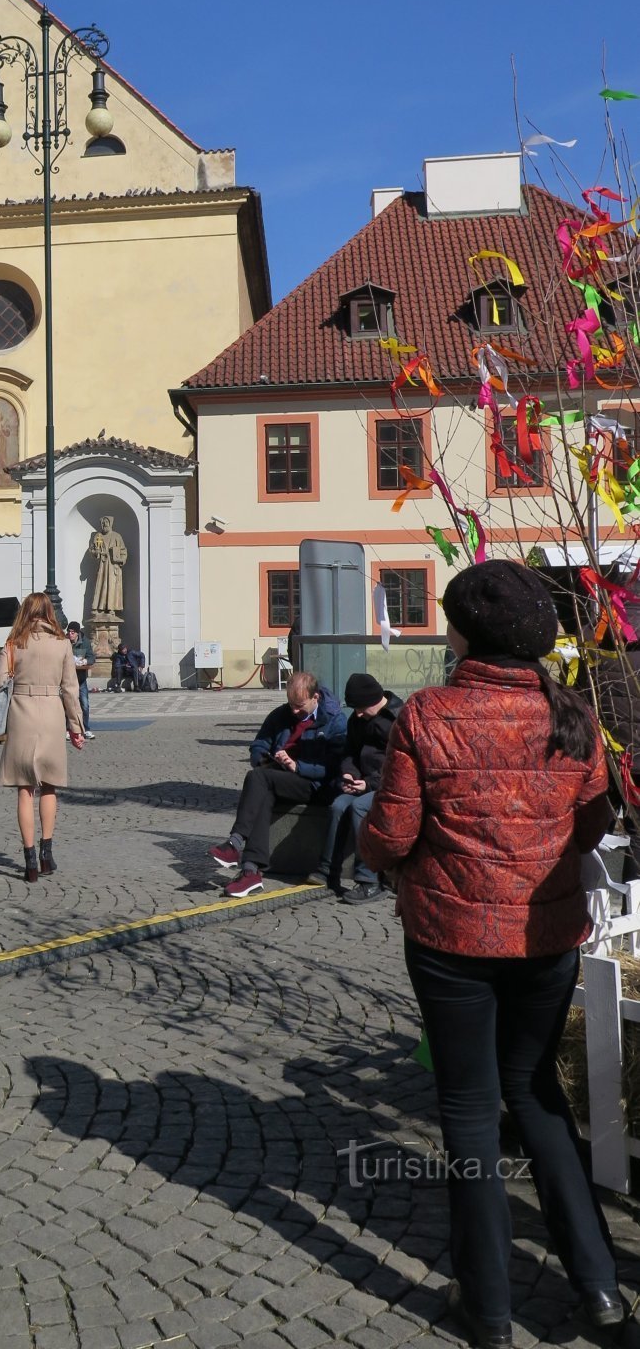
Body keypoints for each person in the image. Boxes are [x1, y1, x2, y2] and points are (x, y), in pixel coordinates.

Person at [360, 561, 622, 1344]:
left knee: (470, 1113)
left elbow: (390, 836)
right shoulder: (569, 713)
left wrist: (387, 857)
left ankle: (489, 1309)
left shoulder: (429, 714)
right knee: (537, 1095)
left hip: (449, 939)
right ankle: (601, 1291)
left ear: (467, 631)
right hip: (543, 939)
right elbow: (588, 826)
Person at [209, 670, 346, 898]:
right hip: (279, 777)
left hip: (314, 785)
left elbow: (334, 766)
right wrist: (265, 760)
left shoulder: (334, 720)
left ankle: (235, 844)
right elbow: (259, 745)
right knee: (263, 790)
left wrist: (297, 766)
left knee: (258, 779)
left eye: (299, 705)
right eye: (290, 704)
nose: (294, 710)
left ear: (316, 698)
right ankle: (251, 872)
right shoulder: (281, 715)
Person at [0, 593, 84, 882]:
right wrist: (76, 726)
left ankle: (29, 860)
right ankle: (47, 854)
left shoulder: (14, 642)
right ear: (49, 612)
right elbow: (70, 689)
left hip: (21, 714)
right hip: (51, 714)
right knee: (49, 786)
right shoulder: (62, 644)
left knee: (24, 789)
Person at [313, 672, 401, 903]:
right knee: (338, 806)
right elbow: (350, 752)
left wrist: (370, 784)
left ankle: (369, 880)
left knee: (360, 807)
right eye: (355, 709)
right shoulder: (357, 719)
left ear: (376, 700)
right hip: (363, 782)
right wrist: (350, 774)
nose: (358, 713)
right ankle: (327, 870)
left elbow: (404, 765)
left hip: (391, 786)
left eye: (361, 708)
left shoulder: (398, 720)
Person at [66, 622, 97, 739]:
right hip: (67, 680)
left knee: (85, 705)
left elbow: (92, 657)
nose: (70, 634)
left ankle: (86, 729)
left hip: (80, 679)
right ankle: (68, 729)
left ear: (77, 633)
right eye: (69, 632)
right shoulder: (64, 642)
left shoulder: (85, 642)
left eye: (72, 632)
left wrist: (85, 661)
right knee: (67, 705)